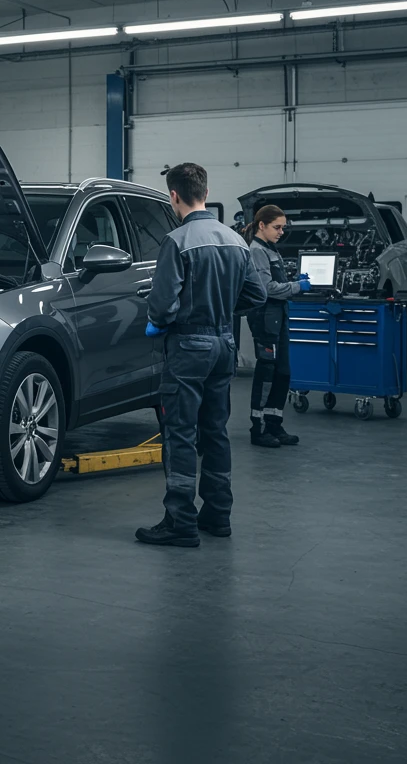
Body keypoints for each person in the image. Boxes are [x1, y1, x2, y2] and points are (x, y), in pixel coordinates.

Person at [138, 163, 267, 548]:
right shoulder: (236, 240)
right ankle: (218, 515)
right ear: (206, 193)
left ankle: (180, 521)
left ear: (173, 195)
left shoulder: (176, 241)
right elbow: (257, 295)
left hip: (188, 347)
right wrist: (222, 311)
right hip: (223, 344)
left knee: (180, 433)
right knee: (215, 431)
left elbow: (162, 306)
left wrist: (161, 321)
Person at [244, 205, 311, 448]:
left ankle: (274, 423)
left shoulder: (271, 249)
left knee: (282, 372)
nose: (281, 232)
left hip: (278, 316)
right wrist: (297, 287)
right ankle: (258, 428)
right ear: (261, 225)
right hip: (265, 318)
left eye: (283, 227)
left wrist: (293, 282)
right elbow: (266, 288)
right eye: (277, 227)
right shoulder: (256, 250)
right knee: (267, 373)